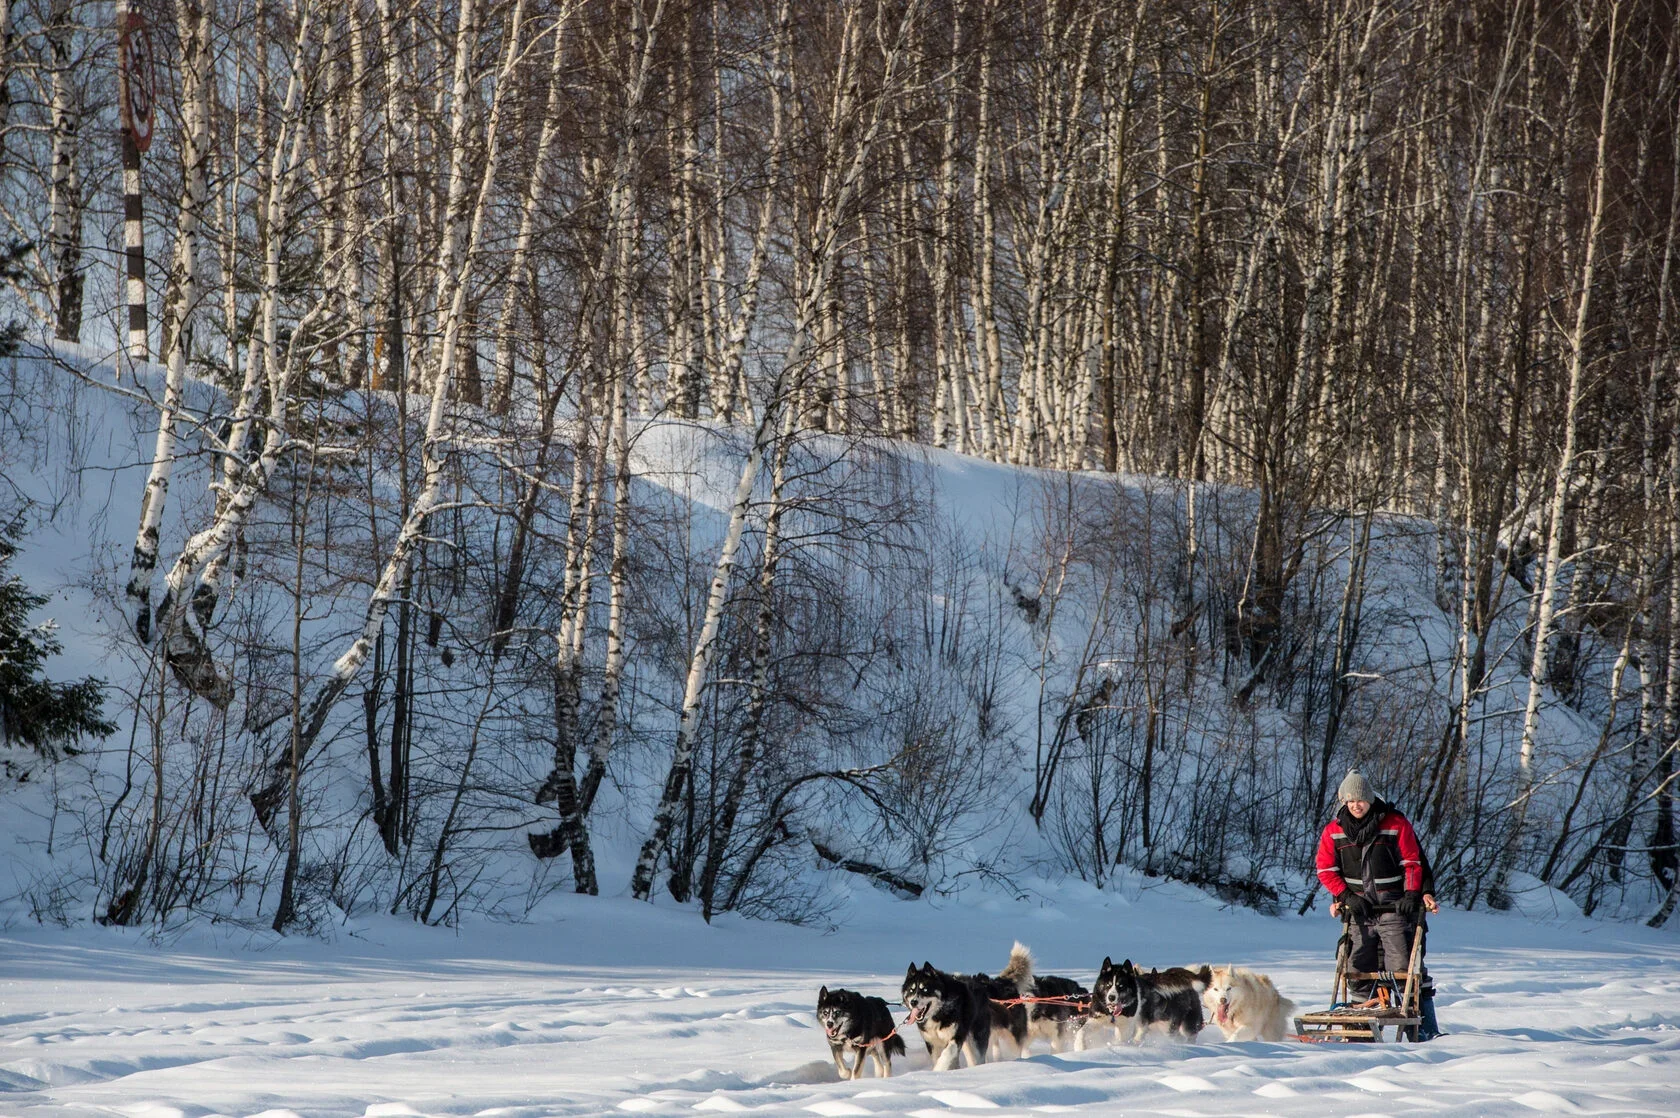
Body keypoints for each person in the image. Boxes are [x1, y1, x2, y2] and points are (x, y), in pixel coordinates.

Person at [1315, 769, 1441, 1040]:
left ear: (1370, 799)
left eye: (1360, 799)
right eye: (1349, 801)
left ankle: (1419, 1033)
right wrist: (1345, 897)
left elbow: (1412, 861)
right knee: (1357, 966)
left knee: (1402, 968)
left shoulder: (1395, 823)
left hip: (1393, 907)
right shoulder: (1334, 831)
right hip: (1359, 910)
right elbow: (1325, 869)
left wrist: (1411, 894)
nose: (1355, 805)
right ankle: (1361, 1031)